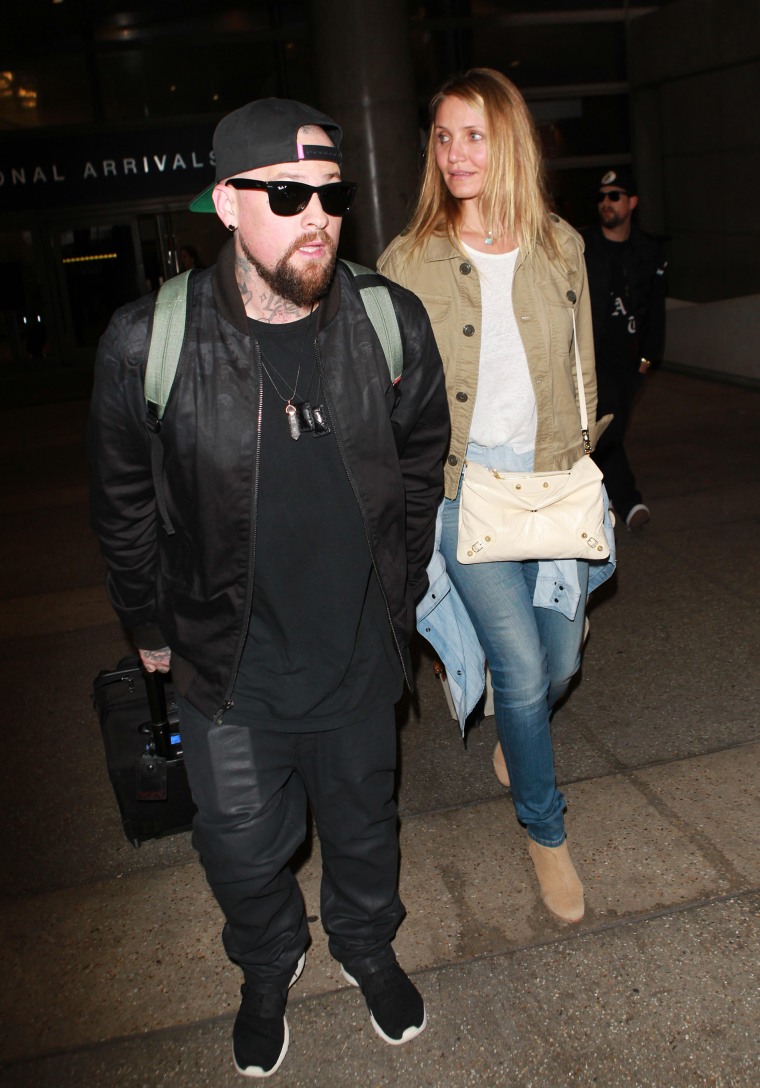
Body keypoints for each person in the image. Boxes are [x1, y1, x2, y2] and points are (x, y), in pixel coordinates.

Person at [88, 97, 449, 1079]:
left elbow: (422, 467)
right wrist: (147, 624)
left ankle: (367, 947)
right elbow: (122, 505)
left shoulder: (386, 319)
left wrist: (403, 595)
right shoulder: (144, 344)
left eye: (331, 193)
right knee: (243, 852)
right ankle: (267, 966)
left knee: (366, 827)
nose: (318, 214)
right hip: (224, 663)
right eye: (288, 194)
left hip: (357, 652)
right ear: (224, 205)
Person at [379, 68, 614, 926]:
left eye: (473, 134)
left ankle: (521, 736)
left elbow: (585, 372)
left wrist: (590, 468)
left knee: (558, 667)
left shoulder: (561, 246)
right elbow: (393, 398)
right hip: (463, 493)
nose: (455, 153)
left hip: (550, 482)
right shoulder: (409, 259)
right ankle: (546, 833)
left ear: (508, 138)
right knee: (519, 668)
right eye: (443, 136)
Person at [581, 167, 667, 532]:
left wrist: (646, 362)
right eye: (601, 197)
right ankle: (626, 500)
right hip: (591, 361)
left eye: (614, 196)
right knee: (606, 432)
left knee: (609, 434)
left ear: (631, 203)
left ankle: (616, 500)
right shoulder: (583, 247)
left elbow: (657, 311)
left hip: (629, 364)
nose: (606, 203)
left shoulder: (649, 251)